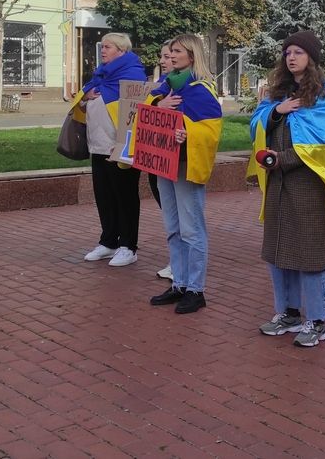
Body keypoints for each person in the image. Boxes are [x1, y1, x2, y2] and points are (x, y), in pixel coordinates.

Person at [248, 30, 325, 347]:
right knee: (278, 251)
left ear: (311, 57)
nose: (292, 57)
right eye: (288, 53)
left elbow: (322, 145)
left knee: (310, 255)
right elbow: (256, 126)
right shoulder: (277, 94)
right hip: (278, 185)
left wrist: (279, 158)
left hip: (307, 187)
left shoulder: (323, 93)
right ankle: (288, 313)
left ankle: (317, 319)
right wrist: (275, 112)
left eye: (298, 52)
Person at [146, 34, 223, 314]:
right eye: (170, 52)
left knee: (192, 230)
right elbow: (142, 111)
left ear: (192, 56)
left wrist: (187, 133)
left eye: (177, 51)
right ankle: (179, 283)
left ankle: (195, 289)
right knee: (173, 228)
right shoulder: (164, 87)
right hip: (163, 163)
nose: (171, 55)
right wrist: (158, 106)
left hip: (185, 165)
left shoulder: (200, 90)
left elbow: (212, 130)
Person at [78, 33, 148, 267]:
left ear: (121, 50)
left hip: (120, 146)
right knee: (104, 196)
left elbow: (135, 111)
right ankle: (108, 241)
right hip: (98, 145)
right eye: (102, 46)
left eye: (107, 46)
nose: (102, 50)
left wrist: (122, 144)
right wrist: (85, 95)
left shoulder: (133, 73)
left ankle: (128, 246)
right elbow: (83, 96)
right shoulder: (101, 74)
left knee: (125, 196)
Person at [151, 42, 173, 282]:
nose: (165, 60)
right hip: (156, 154)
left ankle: (181, 265)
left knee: (182, 218)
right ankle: (175, 261)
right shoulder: (162, 87)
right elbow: (143, 106)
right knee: (169, 213)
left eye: (169, 55)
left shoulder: (191, 86)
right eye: (164, 56)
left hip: (174, 158)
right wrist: (158, 104)